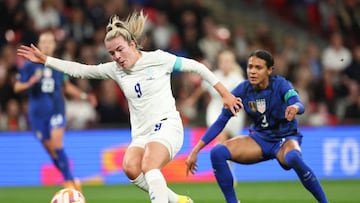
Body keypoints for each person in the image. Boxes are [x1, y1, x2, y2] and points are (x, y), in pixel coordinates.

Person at [17, 11, 242, 203]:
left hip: (167, 126)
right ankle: (178, 200)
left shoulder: (158, 59)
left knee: (149, 164)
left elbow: (197, 67)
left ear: (132, 44)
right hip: (142, 134)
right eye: (112, 53)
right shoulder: (115, 70)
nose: (116, 56)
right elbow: (80, 70)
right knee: (131, 168)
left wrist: (224, 93)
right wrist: (46, 60)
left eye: (120, 50)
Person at [186, 50, 329, 203]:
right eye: (250, 67)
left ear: (269, 70)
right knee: (217, 152)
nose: (252, 71)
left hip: (284, 140)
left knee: (293, 156)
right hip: (259, 140)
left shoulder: (281, 85)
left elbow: (297, 102)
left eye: (258, 68)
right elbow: (221, 121)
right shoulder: (242, 90)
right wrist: (196, 150)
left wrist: (295, 108)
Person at [14, 31, 97, 191]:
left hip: (57, 110)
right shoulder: (29, 66)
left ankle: (69, 182)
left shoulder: (58, 65)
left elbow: (67, 87)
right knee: (52, 152)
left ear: (54, 45)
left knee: (57, 145)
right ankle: (72, 178)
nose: (46, 44)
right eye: (43, 41)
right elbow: (17, 87)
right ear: (39, 44)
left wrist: (84, 96)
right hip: (37, 115)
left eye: (49, 42)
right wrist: (29, 83)